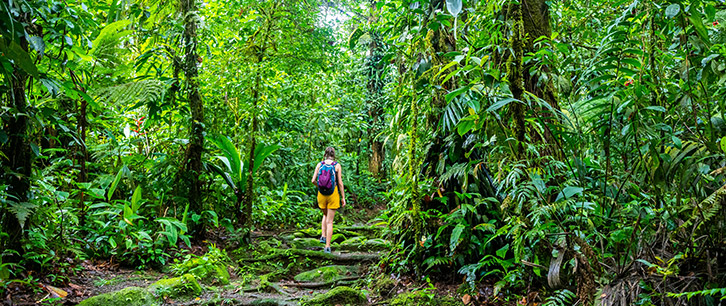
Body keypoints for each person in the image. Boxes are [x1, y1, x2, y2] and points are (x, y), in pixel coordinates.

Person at [311, 147, 346, 253]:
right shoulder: (336, 165)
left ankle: (323, 236)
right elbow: (340, 183)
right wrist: (343, 197)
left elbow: (313, 180)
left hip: (321, 194)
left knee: (325, 215)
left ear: (325, 154)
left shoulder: (319, 164)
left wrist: (320, 187)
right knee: (330, 221)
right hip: (333, 194)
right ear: (333, 154)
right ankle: (327, 246)